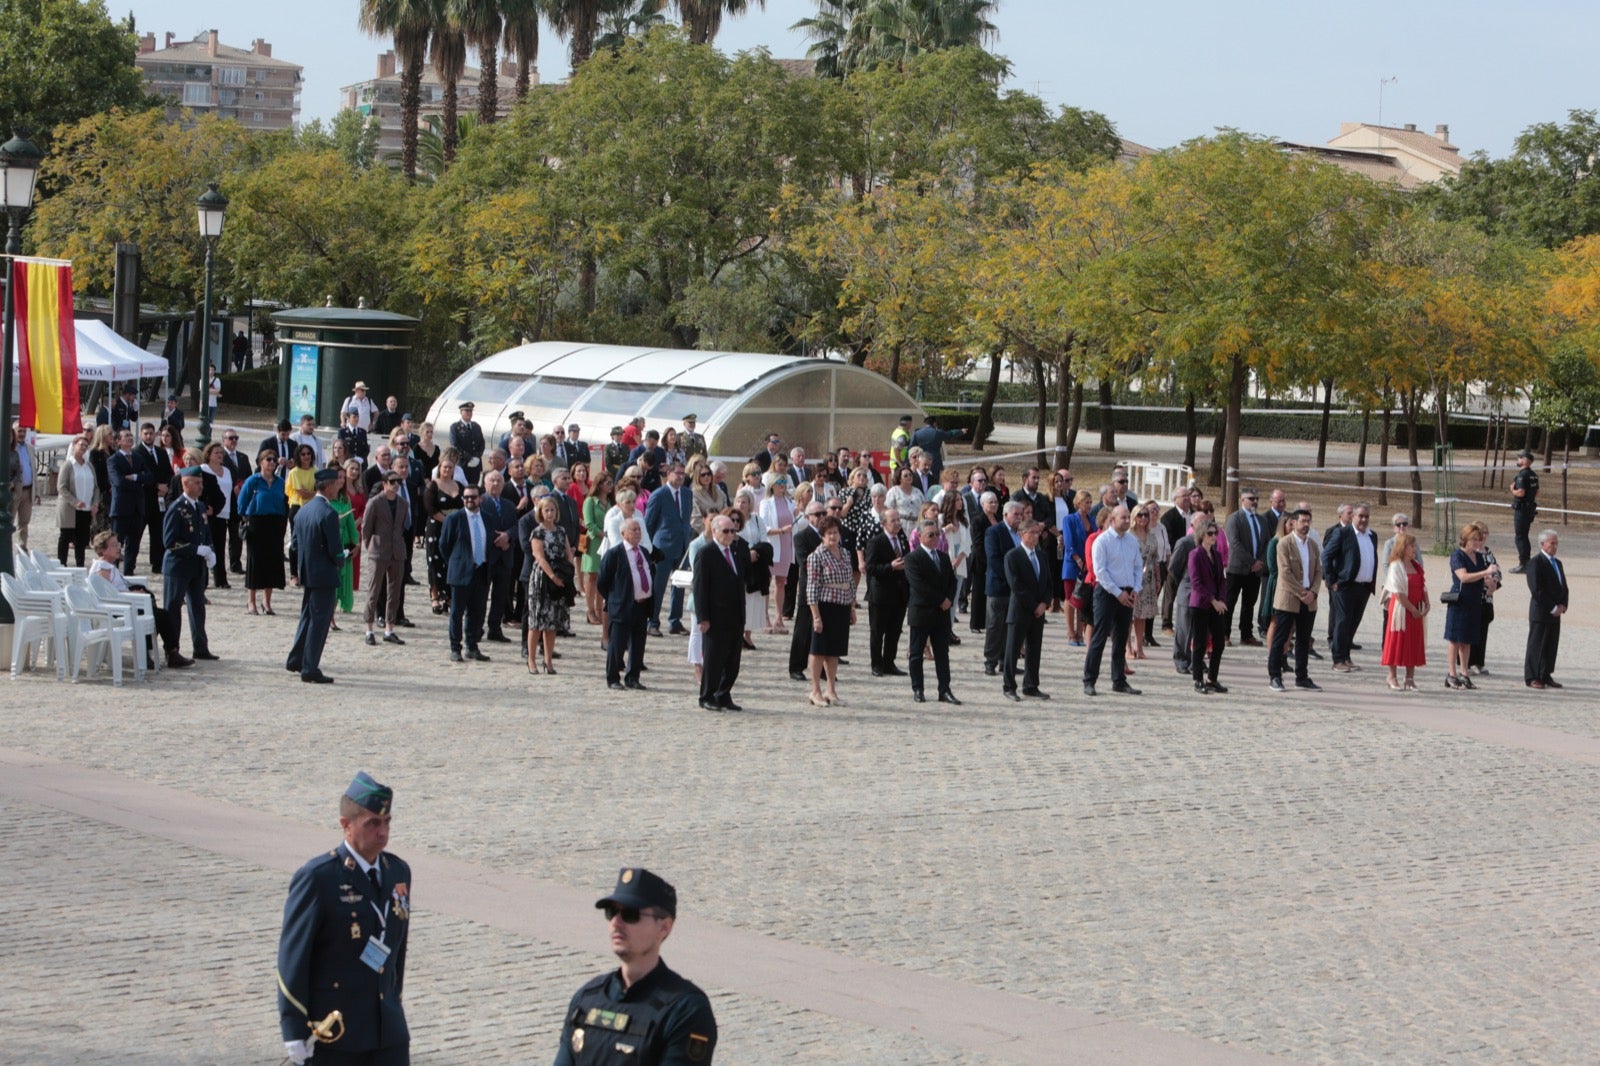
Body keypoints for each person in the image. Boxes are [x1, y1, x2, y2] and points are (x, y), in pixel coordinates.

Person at [276, 772, 411, 1066]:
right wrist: (293, 1029)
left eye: (387, 822)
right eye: (372, 823)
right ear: (346, 825)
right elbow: (293, 958)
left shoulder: (398, 872)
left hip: (387, 1031)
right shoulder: (319, 878)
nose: (382, 832)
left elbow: (397, 950)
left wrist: (392, 1002)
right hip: (336, 1032)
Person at [554, 868, 716, 1066]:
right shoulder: (586, 1000)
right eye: (611, 912)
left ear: (664, 927)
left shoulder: (685, 1010)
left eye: (630, 914)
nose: (616, 922)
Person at [88, 530, 189, 669]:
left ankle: (164, 652)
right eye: (114, 545)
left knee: (156, 613)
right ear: (103, 550)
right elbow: (106, 595)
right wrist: (131, 593)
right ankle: (163, 653)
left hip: (124, 603)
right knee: (160, 616)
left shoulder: (108, 565)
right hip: (117, 609)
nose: (118, 547)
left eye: (118, 544)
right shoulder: (102, 568)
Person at [287, 468, 347, 684]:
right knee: (319, 621)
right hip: (323, 573)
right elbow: (334, 549)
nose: (339, 486)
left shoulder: (305, 510)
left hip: (307, 570)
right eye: (337, 483)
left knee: (307, 616)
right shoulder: (328, 513)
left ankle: (296, 658)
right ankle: (310, 666)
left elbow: (294, 544)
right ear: (328, 486)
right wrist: (342, 558)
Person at [161, 465, 218, 663]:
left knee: (197, 607)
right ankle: (172, 650)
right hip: (178, 566)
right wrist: (194, 549)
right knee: (173, 608)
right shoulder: (177, 508)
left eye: (201, 482)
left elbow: (205, 532)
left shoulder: (199, 506)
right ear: (185, 483)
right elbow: (169, 541)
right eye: (197, 483)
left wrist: (210, 550)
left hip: (196, 566)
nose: (201, 486)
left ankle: (200, 646)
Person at [1084, 505, 1141, 697]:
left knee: (1121, 637)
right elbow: (1100, 572)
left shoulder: (1132, 541)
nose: (1127, 521)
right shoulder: (1102, 541)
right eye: (1123, 518)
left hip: (1127, 592)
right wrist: (1118, 593)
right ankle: (1090, 680)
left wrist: (1135, 589)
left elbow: (1137, 566)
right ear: (1112, 519)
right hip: (1107, 593)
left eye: (1128, 518)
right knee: (1099, 637)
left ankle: (1119, 680)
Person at [902, 516, 960, 704]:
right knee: (917, 652)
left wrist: (949, 599)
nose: (935, 538)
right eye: (930, 535)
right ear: (920, 536)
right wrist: (941, 599)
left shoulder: (943, 557)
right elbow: (919, 586)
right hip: (922, 612)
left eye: (937, 534)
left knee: (942, 653)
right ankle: (918, 688)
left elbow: (952, 581)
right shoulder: (913, 558)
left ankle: (944, 689)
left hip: (941, 614)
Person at [694, 513, 747, 711]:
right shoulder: (706, 553)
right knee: (714, 659)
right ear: (715, 531)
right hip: (715, 616)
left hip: (735, 614)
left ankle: (723, 693)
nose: (730, 534)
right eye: (726, 531)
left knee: (733, 660)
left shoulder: (734, 551)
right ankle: (707, 695)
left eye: (733, 530)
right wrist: (703, 617)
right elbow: (700, 587)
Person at [1268, 508, 1322, 693]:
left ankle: (1302, 677)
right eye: (1303, 521)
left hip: (1309, 601)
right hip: (1289, 599)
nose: (1306, 524)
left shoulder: (1313, 545)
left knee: (1303, 640)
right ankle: (1275, 675)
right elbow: (1285, 573)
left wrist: (1313, 593)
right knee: (1281, 638)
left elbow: (1318, 571)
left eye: (1308, 521)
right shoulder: (1284, 544)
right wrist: (1302, 593)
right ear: (1293, 523)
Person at [804, 514, 855, 707]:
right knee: (819, 650)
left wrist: (851, 606)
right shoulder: (816, 556)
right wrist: (816, 616)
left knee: (834, 651)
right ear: (822, 536)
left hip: (841, 605)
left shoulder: (845, 554)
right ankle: (815, 689)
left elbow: (850, 581)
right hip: (824, 605)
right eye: (829, 533)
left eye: (835, 532)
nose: (833, 536)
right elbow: (812, 587)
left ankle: (831, 688)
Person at [438, 484, 493, 663]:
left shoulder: (488, 518)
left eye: (473, 497)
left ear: (480, 498)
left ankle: (472, 646)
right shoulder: (454, 518)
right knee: (457, 612)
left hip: (481, 571)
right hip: (461, 572)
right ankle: (455, 647)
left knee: (477, 612)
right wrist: (457, 562)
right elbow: (444, 545)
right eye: (466, 497)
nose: (470, 500)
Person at [598, 517, 653, 690]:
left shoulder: (644, 552)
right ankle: (613, 677)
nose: (637, 532)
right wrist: (615, 598)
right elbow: (602, 581)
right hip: (622, 605)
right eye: (633, 530)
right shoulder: (614, 554)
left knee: (638, 643)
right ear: (623, 533)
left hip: (642, 605)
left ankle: (633, 677)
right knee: (617, 644)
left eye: (639, 529)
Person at [1002, 520, 1052, 701]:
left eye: (1038, 532)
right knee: (1012, 650)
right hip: (1020, 610)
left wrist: (1044, 603)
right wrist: (1033, 605)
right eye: (1032, 532)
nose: (1036, 536)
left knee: (1034, 649)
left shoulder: (1042, 556)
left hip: (1038, 611)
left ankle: (1031, 685)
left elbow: (1048, 584)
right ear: (1022, 534)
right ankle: (1009, 686)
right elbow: (1016, 585)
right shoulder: (1012, 556)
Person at [1325, 504, 1378, 672]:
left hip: (1363, 588)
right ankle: (1338, 660)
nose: (1363, 519)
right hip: (1344, 586)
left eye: (1366, 516)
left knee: (1352, 623)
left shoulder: (1372, 535)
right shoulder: (1342, 533)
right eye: (1360, 516)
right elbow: (1326, 555)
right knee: (1342, 623)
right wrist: (1331, 580)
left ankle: (1346, 657)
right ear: (1353, 516)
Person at [523, 495, 573, 673]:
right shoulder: (538, 532)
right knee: (536, 621)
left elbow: (568, 553)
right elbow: (539, 557)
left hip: (559, 574)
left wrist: (567, 573)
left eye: (552, 510)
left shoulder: (561, 531)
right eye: (546, 510)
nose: (550, 513)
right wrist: (552, 576)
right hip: (542, 578)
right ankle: (531, 659)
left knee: (552, 622)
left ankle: (548, 660)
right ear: (540, 513)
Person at [1444, 523, 1495, 690]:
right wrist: (1484, 573)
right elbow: (1464, 577)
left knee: (1468, 640)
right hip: (1460, 601)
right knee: (1455, 639)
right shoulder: (1457, 556)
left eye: (1479, 539)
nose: (1478, 543)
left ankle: (1464, 673)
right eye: (1474, 539)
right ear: (1466, 539)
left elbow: (1484, 580)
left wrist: (1490, 582)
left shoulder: (1479, 557)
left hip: (1474, 601)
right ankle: (1451, 674)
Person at [362, 470, 410, 647]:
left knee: (395, 592)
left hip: (397, 551)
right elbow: (366, 529)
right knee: (374, 591)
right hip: (378, 551)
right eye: (392, 481)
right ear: (384, 483)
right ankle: (369, 629)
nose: (396, 484)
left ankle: (389, 629)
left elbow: (402, 526)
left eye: (398, 481)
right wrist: (371, 547)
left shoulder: (403, 503)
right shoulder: (374, 503)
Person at [238, 450, 288, 616]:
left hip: (275, 523)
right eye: (269, 459)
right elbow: (241, 502)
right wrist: (246, 519)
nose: (272, 462)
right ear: (261, 462)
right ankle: (250, 600)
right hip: (257, 523)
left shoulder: (280, 482)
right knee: (255, 561)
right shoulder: (253, 481)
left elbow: (284, 501)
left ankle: (266, 600)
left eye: (274, 460)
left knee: (273, 561)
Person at [862, 507, 910, 677]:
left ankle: (889, 663)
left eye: (898, 520)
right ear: (883, 523)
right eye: (893, 521)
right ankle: (876, 664)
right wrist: (891, 567)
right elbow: (871, 568)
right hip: (881, 595)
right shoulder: (876, 542)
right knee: (877, 631)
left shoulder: (902, 540)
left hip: (900, 594)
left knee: (894, 631)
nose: (897, 523)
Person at [1186, 519, 1230, 694]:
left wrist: (1221, 599)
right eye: (1210, 533)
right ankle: (1198, 679)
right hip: (1201, 604)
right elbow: (1196, 583)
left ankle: (1212, 677)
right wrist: (1213, 600)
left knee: (1219, 642)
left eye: (1215, 533)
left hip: (1216, 604)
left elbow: (1222, 579)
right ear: (1202, 535)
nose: (1214, 537)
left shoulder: (1217, 555)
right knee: (1200, 642)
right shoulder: (1195, 554)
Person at [1381, 532, 1428, 691]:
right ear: (1403, 547)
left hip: (1416, 608)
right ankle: (1391, 676)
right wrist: (1411, 608)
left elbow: (1423, 585)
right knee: (1397, 640)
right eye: (1411, 546)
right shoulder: (1396, 566)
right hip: (1401, 610)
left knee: (1414, 641)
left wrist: (1426, 603)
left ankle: (1409, 678)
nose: (1414, 549)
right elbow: (1398, 592)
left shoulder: (1416, 566)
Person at [983, 500, 1025, 675]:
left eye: (1021, 514)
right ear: (1006, 515)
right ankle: (990, 662)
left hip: (1016, 589)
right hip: (999, 586)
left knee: (1011, 628)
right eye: (1016, 514)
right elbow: (994, 560)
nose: (1019, 518)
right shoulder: (994, 532)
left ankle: (1007, 662)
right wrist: (1011, 580)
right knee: (995, 626)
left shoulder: (1021, 534)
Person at [477, 470, 519, 644]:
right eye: (492, 481)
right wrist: (498, 539)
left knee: (501, 594)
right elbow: (480, 526)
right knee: (481, 595)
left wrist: (508, 536)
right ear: (485, 483)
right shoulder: (481, 503)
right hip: (487, 556)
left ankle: (495, 628)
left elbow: (516, 526)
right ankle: (477, 628)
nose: (495, 484)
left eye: (499, 481)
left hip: (505, 555)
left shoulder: (509, 505)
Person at [1223, 488, 1268, 646]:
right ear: (1243, 500)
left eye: (1256, 498)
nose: (1254, 501)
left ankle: (1246, 634)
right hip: (1237, 568)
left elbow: (1266, 543)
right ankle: (1224, 633)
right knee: (1229, 602)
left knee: (1249, 604)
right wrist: (1251, 562)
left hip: (1255, 571)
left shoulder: (1261, 520)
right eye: (1251, 498)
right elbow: (1234, 544)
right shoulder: (1234, 519)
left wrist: (1260, 562)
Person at [1524, 529, 1568, 689]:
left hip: (1556, 612)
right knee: (1537, 644)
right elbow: (1536, 589)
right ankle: (1532, 676)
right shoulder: (1535, 562)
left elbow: (1564, 586)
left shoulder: (1558, 563)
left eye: (1556, 543)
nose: (1555, 546)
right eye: (1552, 543)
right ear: (1543, 544)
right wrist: (1552, 607)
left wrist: (1563, 604)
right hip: (1541, 611)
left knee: (1551, 644)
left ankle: (1545, 673)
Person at [423, 454, 464, 614]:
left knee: (450, 561)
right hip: (437, 525)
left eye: (450, 467)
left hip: (455, 528)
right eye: (444, 467)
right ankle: (435, 596)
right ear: (439, 469)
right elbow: (430, 508)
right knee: (434, 561)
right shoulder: (433, 485)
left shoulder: (459, 485)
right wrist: (447, 521)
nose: (447, 470)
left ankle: (449, 596)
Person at [107, 428, 151, 572]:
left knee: (134, 545)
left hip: (137, 508)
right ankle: (113, 573)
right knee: (116, 544)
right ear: (118, 441)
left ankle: (128, 573)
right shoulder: (113, 460)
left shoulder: (138, 458)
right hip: (121, 508)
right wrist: (138, 483)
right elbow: (118, 482)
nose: (130, 438)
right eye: (126, 436)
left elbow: (149, 477)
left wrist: (136, 477)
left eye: (131, 435)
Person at [758, 473, 796, 634]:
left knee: (781, 582)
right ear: (772, 485)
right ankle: (765, 616)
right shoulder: (766, 504)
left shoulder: (790, 502)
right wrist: (780, 530)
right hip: (772, 545)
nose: (782, 485)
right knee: (767, 582)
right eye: (779, 482)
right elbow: (763, 527)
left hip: (786, 545)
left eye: (784, 482)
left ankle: (779, 617)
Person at [56, 436, 99, 566]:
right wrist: (75, 502)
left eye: (86, 446)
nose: (84, 448)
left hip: (85, 509)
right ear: (74, 445)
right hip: (70, 508)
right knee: (66, 537)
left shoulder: (89, 465)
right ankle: (62, 564)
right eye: (81, 445)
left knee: (81, 540)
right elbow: (61, 487)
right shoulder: (68, 465)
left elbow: (96, 487)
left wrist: (95, 503)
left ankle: (80, 565)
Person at [1509, 449, 1539, 573]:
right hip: (1529, 508)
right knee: (1524, 535)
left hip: (1522, 509)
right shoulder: (1534, 475)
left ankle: (1524, 563)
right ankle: (1526, 562)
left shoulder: (1522, 476)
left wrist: (1512, 490)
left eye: (1520, 458)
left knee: (1520, 537)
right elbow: (1537, 491)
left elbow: (1521, 492)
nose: (1518, 460)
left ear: (1525, 460)